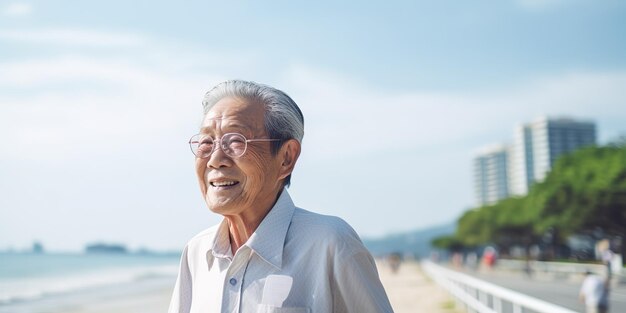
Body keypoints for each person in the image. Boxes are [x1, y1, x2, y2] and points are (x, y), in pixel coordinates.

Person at [168, 80, 394, 313]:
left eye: (235, 141)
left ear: (286, 157)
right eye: (206, 142)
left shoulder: (331, 244)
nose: (215, 159)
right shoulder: (197, 251)